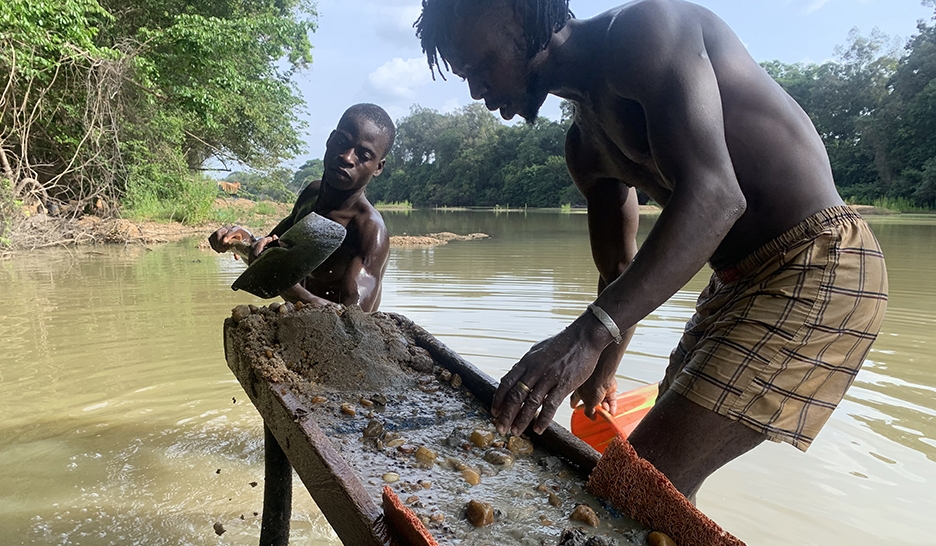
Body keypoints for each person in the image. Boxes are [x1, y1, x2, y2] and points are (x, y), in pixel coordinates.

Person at [415, 0, 888, 500]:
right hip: (734, 283)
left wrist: (583, 341)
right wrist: (601, 374)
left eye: (480, 64)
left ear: (520, 16)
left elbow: (716, 196)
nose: (475, 91)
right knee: (654, 487)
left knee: (639, 489)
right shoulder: (585, 148)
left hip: (818, 259)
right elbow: (619, 270)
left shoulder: (645, 32)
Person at [209, 103, 394, 312]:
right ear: (330, 140)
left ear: (378, 167)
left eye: (364, 155)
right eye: (342, 142)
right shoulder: (311, 195)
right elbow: (270, 255)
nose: (347, 157)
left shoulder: (369, 231)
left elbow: (356, 320)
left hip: (338, 341)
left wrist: (284, 286)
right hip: (300, 322)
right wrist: (242, 239)